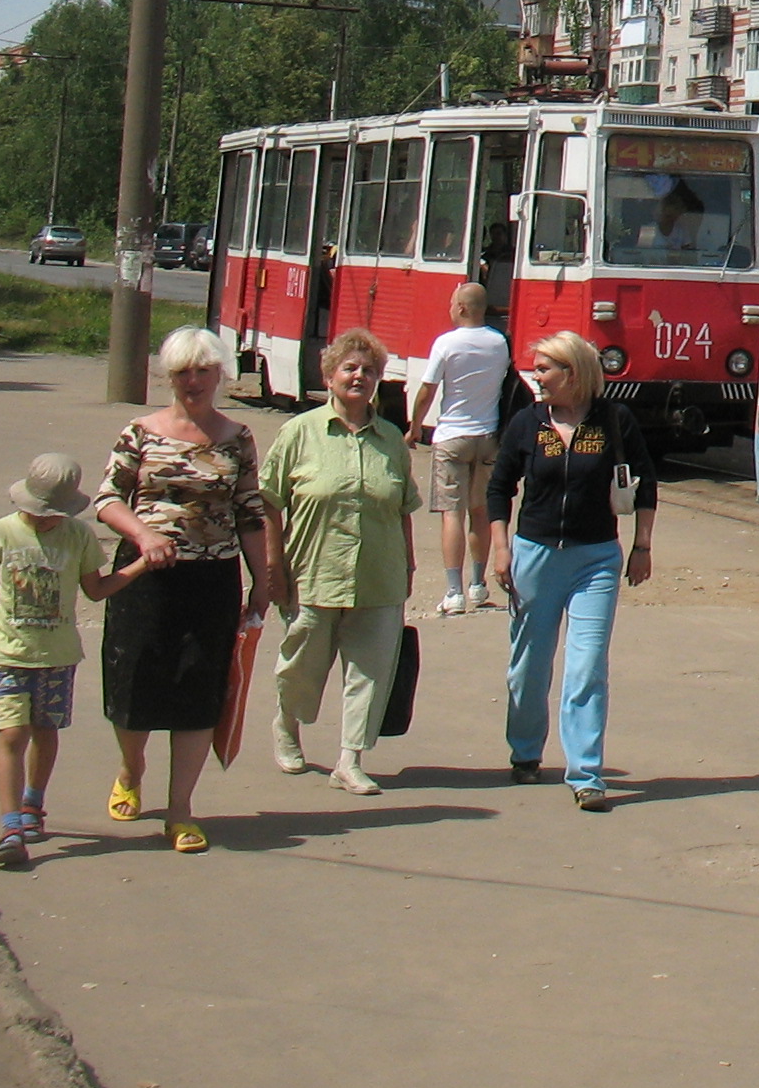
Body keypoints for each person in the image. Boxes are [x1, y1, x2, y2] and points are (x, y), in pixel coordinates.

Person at [93, 328, 273, 852]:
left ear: (220, 374)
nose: (192, 382)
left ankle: (180, 811)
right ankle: (131, 769)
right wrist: (144, 534)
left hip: (213, 579)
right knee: (135, 681)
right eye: (181, 373)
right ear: (168, 377)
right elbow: (107, 499)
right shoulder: (140, 432)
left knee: (199, 691)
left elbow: (250, 512)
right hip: (144, 580)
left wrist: (262, 582)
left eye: (202, 371)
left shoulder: (237, 437)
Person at [486, 331, 657, 811]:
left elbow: (645, 484)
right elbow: (499, 489)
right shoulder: (527, 422)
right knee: (529, 666)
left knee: (586, 666)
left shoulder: (615, 420)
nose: (536, 377)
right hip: (534, 555)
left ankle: (585, 773)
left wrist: (642, 545)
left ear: (573, 373)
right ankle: (525, 752)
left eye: (544, 369)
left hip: (596, 559)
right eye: (536, 368)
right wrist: (501, 549)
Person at [258, 328, 417, 794]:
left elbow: (402, 508)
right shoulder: (299, 433)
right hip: (312, 571)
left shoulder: (391, 439)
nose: (360, 376)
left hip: (378, 576)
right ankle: (288, 725)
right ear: (329, 376)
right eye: (350, 368)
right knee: (301, 665)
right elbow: (268, 501)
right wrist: (273, 565)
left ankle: (350, 760)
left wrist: (407, 568)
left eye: (369, 371)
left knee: (370, 670)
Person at [0, 455, 147, 871]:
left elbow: (97, 589)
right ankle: (11, 826)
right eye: (38, 512)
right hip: (7, 654)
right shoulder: (0, 533)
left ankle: (33, 802)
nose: (45, 520)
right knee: (12, 735)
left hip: (57, 656)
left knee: (45, 732)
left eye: (54, 515)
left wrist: (140, 564)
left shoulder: (79, 537)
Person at [407, 283, 515, 617]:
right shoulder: (499, 343)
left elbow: (427, 391)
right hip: (488, 436)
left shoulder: (446, 343)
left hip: (452, 437)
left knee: (452, 513)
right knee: (480, 511)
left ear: (464, 308)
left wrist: (414, 428)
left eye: (453, 303)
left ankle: (453, 593)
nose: (450, 308)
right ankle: (477, 585)